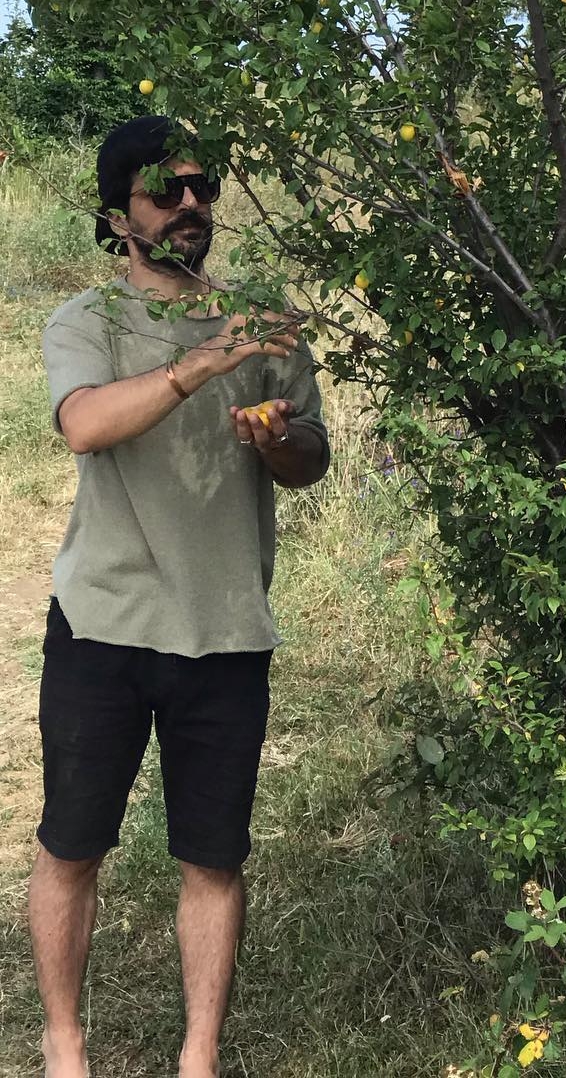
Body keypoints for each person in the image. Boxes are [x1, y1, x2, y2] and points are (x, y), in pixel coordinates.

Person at [29, 114, 331, 1078]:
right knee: (73, 845)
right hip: (104, 624)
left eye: (204, 187)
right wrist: (202, 363)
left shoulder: (265, 320)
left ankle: (198, 1057)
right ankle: (65, 1046)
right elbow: (84, 424)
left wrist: (279, 439)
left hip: (228, 626)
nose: (192, 205)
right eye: (167, 191)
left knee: (214, 857)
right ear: (120, 213)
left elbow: (311, 457)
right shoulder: (87, 321)